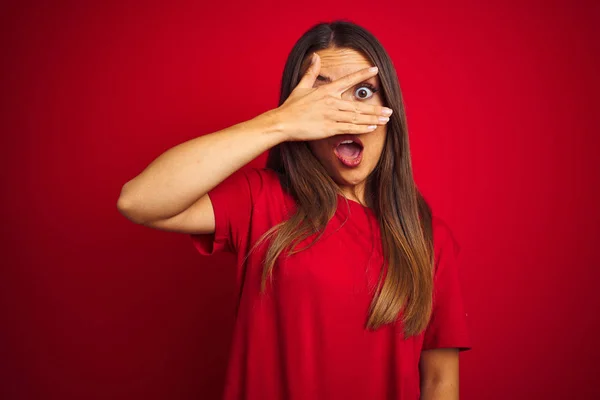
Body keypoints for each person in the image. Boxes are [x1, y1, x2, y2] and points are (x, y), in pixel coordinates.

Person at [118, 20, 471, 400]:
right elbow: (139, 201)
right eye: (323, 100)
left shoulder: (428, 238)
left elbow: (438, 381)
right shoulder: (263, 200)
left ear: (390, 110)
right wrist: (279, 123)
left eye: (363, 92)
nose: (343, 114)